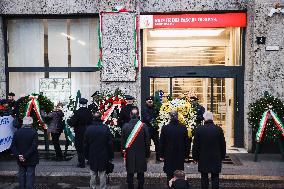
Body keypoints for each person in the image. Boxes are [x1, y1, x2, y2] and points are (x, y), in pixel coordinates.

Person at [192, 112, 226, 189]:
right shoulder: (218, 129)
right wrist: (222, 156)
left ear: (204, 119)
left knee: (204, 177)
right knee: (215, 177)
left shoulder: (199, 130)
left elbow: (196, 145)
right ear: (212, 119)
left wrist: (195, 157)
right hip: (216, 157)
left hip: (203, 157)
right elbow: (222, 144)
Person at [121, 107, 150, 189]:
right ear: (138, 116)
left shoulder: (125, 126)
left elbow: (122, 142)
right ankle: (140, 187)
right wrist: (147, 154)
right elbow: (147, 142)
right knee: (140, 173)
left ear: (130, 115)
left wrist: (122, 153)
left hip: (129, 153)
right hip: (141, 153)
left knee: (130, 173)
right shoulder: (144, 126)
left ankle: (130, 187)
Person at [160, 110, 190, 187]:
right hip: (180, 155)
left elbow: (162, 143)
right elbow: (187, 143)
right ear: (177, 117)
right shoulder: (183, 128)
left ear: (170, 117)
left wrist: (161, 155)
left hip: (168, 155)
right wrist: (187, 155)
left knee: (169, 176)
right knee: (180, 176)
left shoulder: (165, 128)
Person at [84, 112, 114, 189]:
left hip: (92, 153)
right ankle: (102, 187)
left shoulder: (88, 128)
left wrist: (86, 155)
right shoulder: (105, 128)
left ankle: (93, 187)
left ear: (93, 118)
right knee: (102, 173)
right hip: (103, 153)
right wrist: (111, 155)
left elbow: (85, 144)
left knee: (93, 173)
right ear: (101, 118)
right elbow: (110, 143)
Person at [11, 116, 39, 189]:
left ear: (23, 123)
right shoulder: (34, 132)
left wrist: (19, 156)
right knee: (30, 175)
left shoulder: (17, 132)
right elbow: (34, 146)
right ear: (31, 123)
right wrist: (25, 156)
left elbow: (12, 146)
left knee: (21, 175)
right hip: (31, 158)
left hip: (20, 159)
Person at [68, 98, 93, 168]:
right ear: (86, 104)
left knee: (80, 147)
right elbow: (91, 121)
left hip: (79, 132)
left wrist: (68, 120)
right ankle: (90, 161)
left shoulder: (77, 112)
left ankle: (82, 163)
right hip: (88, 131)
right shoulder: (89, 112)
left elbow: (73, 122)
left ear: (80, 104)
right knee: (88, 146)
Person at [142, 96, 160, 162]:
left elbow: (158, 115)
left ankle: (158, 156)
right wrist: (154, 123)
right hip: (148, 129)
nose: (150, 102)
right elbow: (147, 118)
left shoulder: (155, 108)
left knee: (157, 143)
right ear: (146, 102)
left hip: (155, 129)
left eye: (151, 101)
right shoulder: (144, 109)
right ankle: (146, 157)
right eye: (149, 101)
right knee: (147, 144)